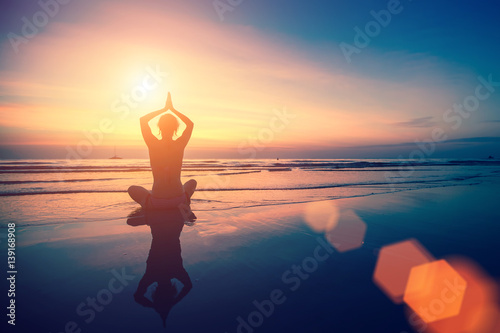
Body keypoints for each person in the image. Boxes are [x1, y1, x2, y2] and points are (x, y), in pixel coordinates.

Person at [128, 92, 196, 220]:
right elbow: (190, 124)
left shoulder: (153, 144)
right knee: (192, 182)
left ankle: (148, 203)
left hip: (157, 202)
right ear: (176, 129)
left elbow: (143, 120)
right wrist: (173, 110)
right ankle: (185, 201)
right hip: (179, 200)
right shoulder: (179, 144)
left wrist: (164, 109)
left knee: (132, 189)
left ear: (159, 127)